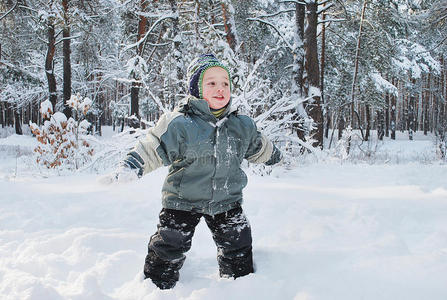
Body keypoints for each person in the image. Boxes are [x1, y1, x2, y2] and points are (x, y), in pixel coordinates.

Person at [103, 54, 282, 289]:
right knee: (169, 244)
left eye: (225, 83)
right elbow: (154, 147)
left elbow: (257, 145)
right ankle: (156, 286)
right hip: (182, 200)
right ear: (196, 89)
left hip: (226, 200)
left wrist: (275, 156)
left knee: (238, 243)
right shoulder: (180, 124)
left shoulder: (241, 125)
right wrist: (131, 166)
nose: (220, 89)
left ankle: (240, 287)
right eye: (211, 83)